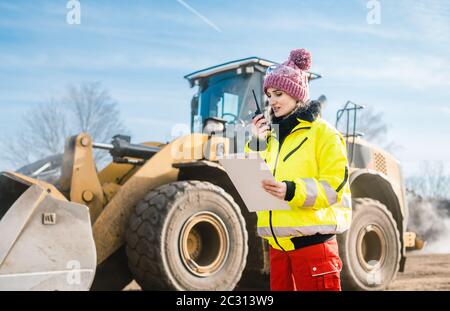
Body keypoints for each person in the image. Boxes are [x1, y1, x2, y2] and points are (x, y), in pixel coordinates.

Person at [245, 48, 352, 291]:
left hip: (313, 249)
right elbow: (254, 178)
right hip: (278, 249)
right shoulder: (271, 138)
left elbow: (333, 186)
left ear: (297, 94)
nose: (272, 101)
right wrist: (256, 142)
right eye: (269, 95)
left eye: (279, 93)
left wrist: (291, 191)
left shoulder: (324, 134)